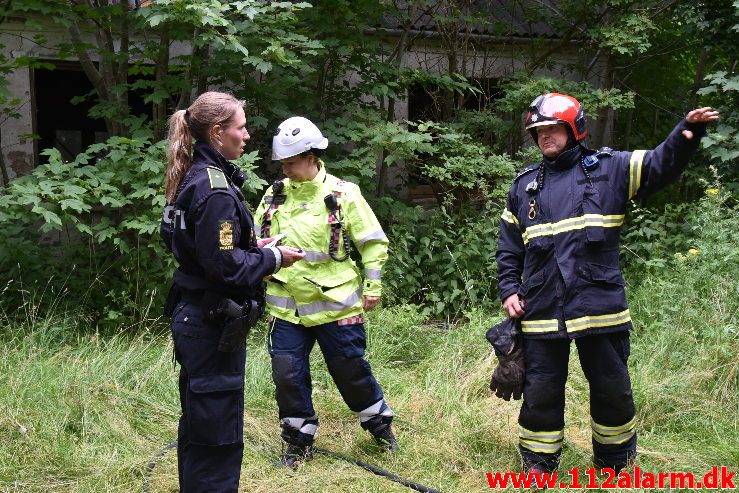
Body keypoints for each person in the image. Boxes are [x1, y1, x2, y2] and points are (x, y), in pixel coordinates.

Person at [495, 92, 719, 474]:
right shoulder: (524, 186)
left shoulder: (611, 169)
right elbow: (509, 248)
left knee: (612, 389)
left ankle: (615, 462)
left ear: (574, 129)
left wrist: (688, 131)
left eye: (552, 128)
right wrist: (509, 289)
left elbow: (660, 165)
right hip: (542, 308)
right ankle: (538, 463)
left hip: (599, 306)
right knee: (540, 391)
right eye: (538, 131)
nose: (545, 136)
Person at [159, 91, 305, 492]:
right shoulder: (215, 189)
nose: (247, 135)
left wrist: (255, 249)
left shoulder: (191, 176)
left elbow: (198, 249)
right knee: (217, 434)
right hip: (210, 326)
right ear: (218, 132)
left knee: (200, 426)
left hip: (196, 318)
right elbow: (224, 266)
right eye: (240, 127)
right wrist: (274, 259)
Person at [254, 116, 397, 468]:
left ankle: (380, 428)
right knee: (287, 375)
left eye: (290, 162)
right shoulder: (274, 196)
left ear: (311, 155)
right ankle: (298, 440)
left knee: (350, 370)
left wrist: (373, 286)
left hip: (338, 306)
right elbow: (253, 241)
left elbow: (373, 243)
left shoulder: (343, 193)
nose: (285, 169)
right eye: (282, 164)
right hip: (287, 309)